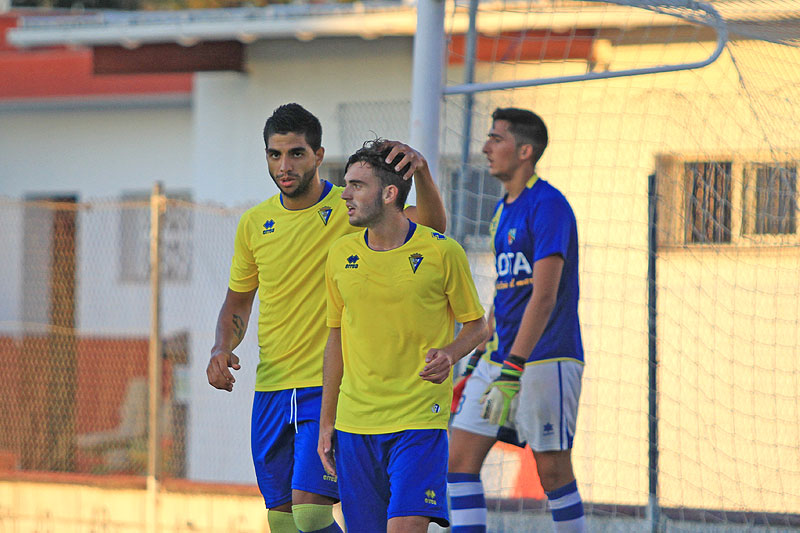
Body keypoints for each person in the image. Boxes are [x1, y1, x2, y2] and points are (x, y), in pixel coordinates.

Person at [206, 103, 447, 533]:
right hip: (271, 388)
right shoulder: (253, 223)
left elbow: (429, 230)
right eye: (274, 154)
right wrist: (222, 347)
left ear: (319, 155)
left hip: (327, 387)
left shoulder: (352, 205)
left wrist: (423, 175)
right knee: (282, 523)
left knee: (313, 513)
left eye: (296, 153)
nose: (284, 165)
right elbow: (238, 302)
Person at [318, 139, 488, 533]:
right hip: (355, 424)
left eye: (357, 185)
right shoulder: (340, 254)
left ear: (390, 193)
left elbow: (477, 326)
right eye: (346, 183)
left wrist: (450, 353)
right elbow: (335, 341)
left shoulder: (442, 252)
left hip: (418, 420)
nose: (345, 194)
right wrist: (328, 420)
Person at [448, 108, 586, 533]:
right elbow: (506, 294)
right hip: (500, 360)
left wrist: (513, 367)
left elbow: (543, 297)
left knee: (553, 472)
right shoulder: (502, 209)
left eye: (496, 138)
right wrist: (476, 362)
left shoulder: (549, 205)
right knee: (458, 462)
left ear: (525, 151)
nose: (486, 148)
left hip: (544, 359)